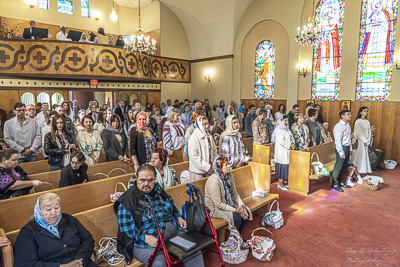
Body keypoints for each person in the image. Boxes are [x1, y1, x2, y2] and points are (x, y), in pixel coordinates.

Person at [115, 164, 204, 266]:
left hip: (171, 232)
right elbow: (127, 229)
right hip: (145, 241)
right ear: (136, 178)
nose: (146, 183)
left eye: (150, 180)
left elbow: (170, 203)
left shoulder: (157, 189)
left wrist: (178, 216)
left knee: (193, 251)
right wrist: (145, 237)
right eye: (142, 180)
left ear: (155, 179)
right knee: (160, 262)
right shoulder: (127, 200)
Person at [14, 193, 96, 266]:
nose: (54, 212)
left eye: (57, 207)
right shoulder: (28, 232)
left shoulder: (69, 219)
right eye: (48, 209)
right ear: (39, 211)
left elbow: (88, 239)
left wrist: (79, 262)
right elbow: (26, 264)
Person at [205, 157, 251, 233]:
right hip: (215, 209)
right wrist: (235, 210)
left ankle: (237, 237)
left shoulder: (229, 175)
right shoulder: (214, 181)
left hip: (228, 203)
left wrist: (241, 205)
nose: (229, 166)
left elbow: (235, 193)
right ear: (220, 168)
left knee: (246, 213)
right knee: (237, 218)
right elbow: (218, 204)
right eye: (226, 165)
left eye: (228, 164)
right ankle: (233, 239)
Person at [332, 109, 355, 192]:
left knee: (343, 167)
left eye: (350, 114)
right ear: (342, 116)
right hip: (341, 148)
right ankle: (335, 183)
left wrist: (350, 149)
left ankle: (341, 182)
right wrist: (341, 152)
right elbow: (338, 141)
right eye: (348, 114)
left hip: (347, 147)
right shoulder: (338, 126)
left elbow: (349, 138)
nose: (350, 116)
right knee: (338, 167)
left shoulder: (348, 125)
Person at [188, 116, 218, 181]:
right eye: (204, 124)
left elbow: (214, 151)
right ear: (200, 125)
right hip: (198, 172)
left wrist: (214, 165)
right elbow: (194, 156)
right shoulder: (194, 138)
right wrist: (207, 168)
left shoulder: (209, 136)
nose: (207, 126)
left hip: (211, 170)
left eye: (208, 123)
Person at [274, 115, 295, 191]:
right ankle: (280, 184)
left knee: (286, 168)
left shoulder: (287, 129)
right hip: (282, 152)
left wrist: (293, 143)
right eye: (285, 120)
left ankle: (284, 183)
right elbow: (281, 141)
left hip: (287, 151)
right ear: (281, 121)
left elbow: (291, 137)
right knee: (282, 168)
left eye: (287, 120)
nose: (286, 122)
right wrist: (290, 145)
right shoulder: (279, 130)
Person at [352, 106, 372, 174]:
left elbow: (369, 132)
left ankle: (364, 168)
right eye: (364, 111)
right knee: (360, 155)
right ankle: (358, 169)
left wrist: (368, 141)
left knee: (364, 155)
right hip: (360, 141)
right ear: (360, 112)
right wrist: (365, 141)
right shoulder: (358, 121)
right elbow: (359, 133)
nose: (366, 112)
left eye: (367, 111)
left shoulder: (367, 121)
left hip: (366, 141)